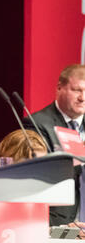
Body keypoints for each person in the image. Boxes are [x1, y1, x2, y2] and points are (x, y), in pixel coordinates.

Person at [22, 64, 85, 226]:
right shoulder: (37, 123)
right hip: (58, 220)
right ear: (59, 88)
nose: (82, 97)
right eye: (77, 90)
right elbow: (36, 174)